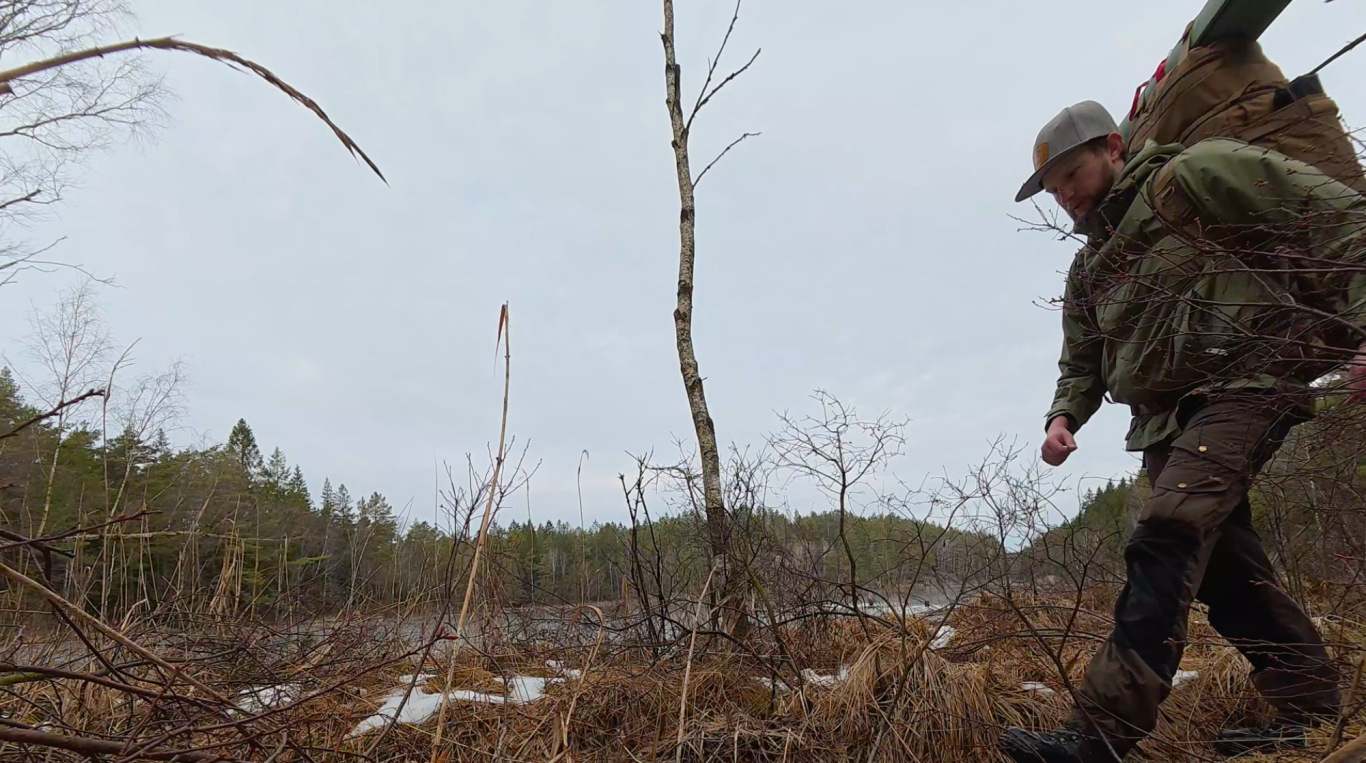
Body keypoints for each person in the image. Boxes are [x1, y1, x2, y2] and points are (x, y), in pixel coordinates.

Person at [999, 100, 1366, 761]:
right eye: (1054, 193)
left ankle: (1099, 737)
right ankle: (1310, 709)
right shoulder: (1090, 268)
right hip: (1162, 424)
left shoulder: (1194, 175)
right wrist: (1062, 417)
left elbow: (1332, 214)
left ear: (1114, 147)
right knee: (1226, 572)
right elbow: (1082, 360)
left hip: (1246, 383)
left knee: (1167, 532)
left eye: (1072, 177)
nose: (1066, 200)